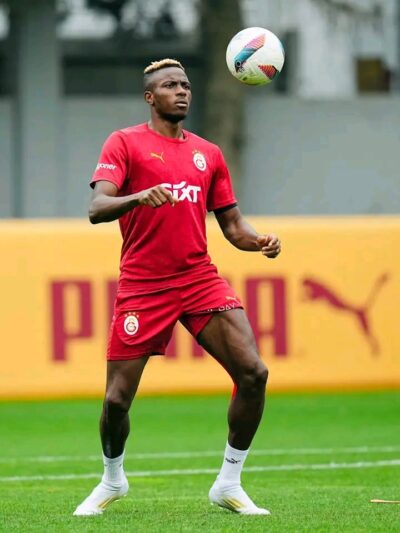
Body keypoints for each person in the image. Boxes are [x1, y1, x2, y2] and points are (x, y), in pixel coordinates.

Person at [73, 58, 281, 517]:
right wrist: (137, 196)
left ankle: (229, 482)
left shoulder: (209, 154)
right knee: (116, 400)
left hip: (198, 278)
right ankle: (112, 479)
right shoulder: (125, 142)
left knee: (253, 373)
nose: (182, 91)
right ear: (150, 97)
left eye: (185, 84)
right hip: (144, 284)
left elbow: (232, 225)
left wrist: (259, 241)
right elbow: (96, 207)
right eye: (170, 85)